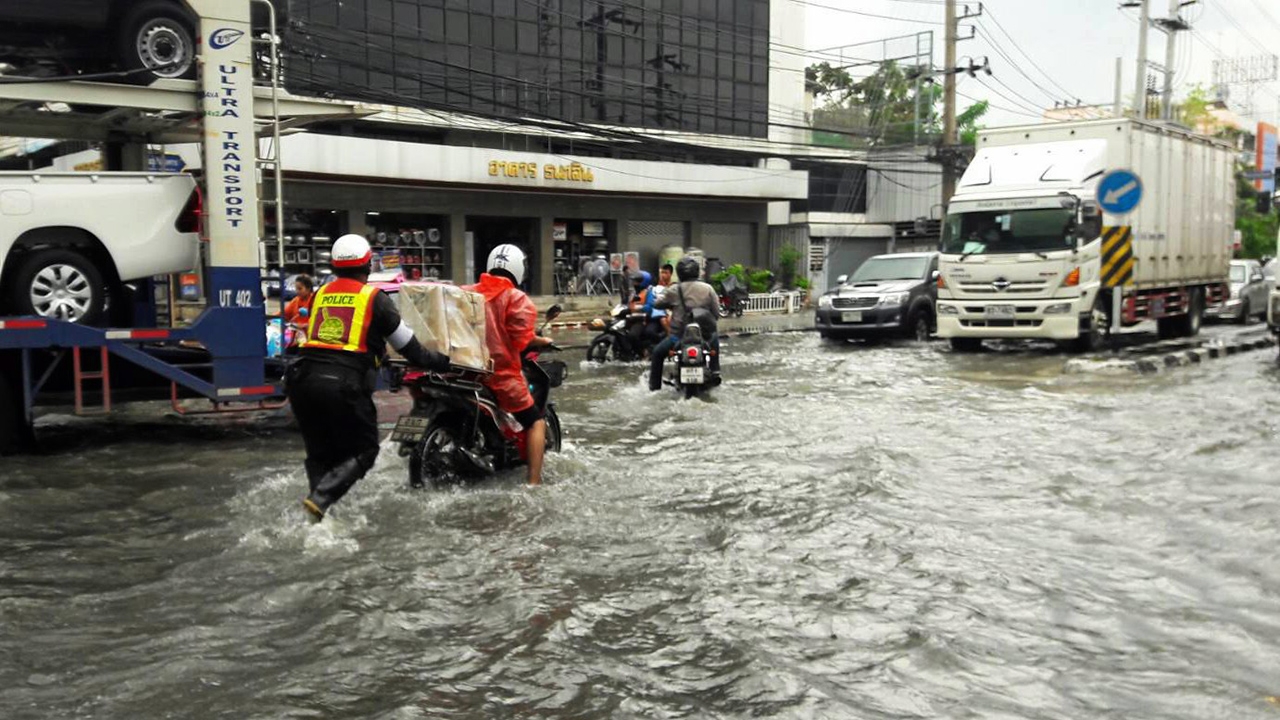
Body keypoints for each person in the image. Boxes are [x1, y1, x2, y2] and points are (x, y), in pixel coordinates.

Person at [287, 234, 450, 522]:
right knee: (365, 450)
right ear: (368, 265)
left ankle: (318, 515)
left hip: (302, 380)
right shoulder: (376, 299)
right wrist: (443, 362)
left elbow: (338, 337)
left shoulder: (320, 295)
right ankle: (320, 499)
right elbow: (413, 351)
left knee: (319, 453)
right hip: (342, 383)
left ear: (335, 266)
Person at [466, 244, 555, 486]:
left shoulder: (467, 292)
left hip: (465, 373)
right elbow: (522, 339)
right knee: (535, 421)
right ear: (518, 268)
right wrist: (543, 340)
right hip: (499, 376)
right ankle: (534, 483)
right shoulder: (516, 299)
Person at [649, 256, 721, 391]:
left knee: (657, 353)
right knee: (714, 339)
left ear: (680, 273)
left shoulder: (674, 290)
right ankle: (715, 371)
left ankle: (654, 388)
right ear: (697, 271)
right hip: (703, 336)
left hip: (678, 336)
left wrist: (665, 302)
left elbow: (657, 304)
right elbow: (716, 313)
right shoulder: (708, 288)